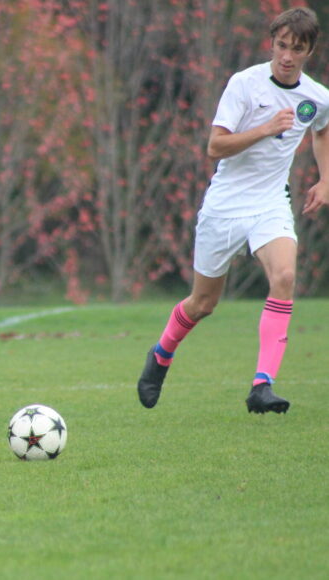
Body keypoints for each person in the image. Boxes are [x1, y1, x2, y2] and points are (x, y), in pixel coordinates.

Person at [137, 7, 329, 414]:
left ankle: (262, 386)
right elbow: (215, 146)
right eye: (281, 46)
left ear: (310, 50)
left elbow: (322, 130)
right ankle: (161, 354)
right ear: (272, 43)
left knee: (286, 275)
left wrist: (325, 179)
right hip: (225, 205)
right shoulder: (244, 84)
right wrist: (264, 128)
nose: (287, 56)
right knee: (203, 304)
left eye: (297, 49)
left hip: (270, 203)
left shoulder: (316, 97)